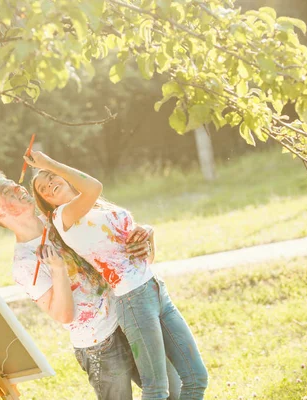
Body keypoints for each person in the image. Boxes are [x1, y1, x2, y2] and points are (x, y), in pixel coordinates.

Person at [0, 171, 181, 400]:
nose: (18, 189)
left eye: (14, 184)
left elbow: (124, 254)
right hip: (100, 346)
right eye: (6, 191)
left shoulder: (58, 215)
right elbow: (63, 315)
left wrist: (146, 237)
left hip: (129, 316)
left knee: (175, 391)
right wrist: (59, 269)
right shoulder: (25, 263)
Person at [27, 151, 208, 400]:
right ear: (46, 202)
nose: (48, 183)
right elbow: (94, 186)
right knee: (156, 389)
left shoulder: (100, 207)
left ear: (65, 176)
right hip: (133, 301)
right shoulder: (63, 217)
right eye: (43, 188)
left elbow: (141, 259)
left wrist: (148, 234)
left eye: (50, 177)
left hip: (154, 288)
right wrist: (47, 164)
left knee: (196, 378)